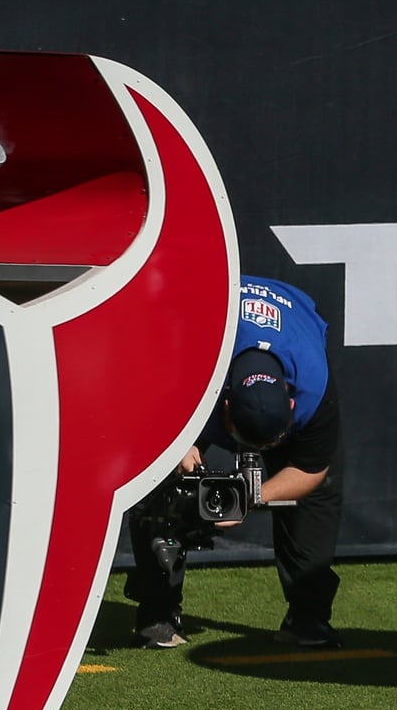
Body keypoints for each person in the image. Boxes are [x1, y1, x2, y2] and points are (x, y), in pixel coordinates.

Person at [125, 275, 345, 649]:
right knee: (156, 479)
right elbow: (139, 394)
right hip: (197, 359)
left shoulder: (313, 383)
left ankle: (308, 616)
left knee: (318, 494)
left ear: (291, 401)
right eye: (249, 440)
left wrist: (248, 498)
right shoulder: (191, 360)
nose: (262, 448)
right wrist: (177, 445)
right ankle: (157, 612)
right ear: (224, 403)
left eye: (271, 442)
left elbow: (310, 468)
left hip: (290, 322)